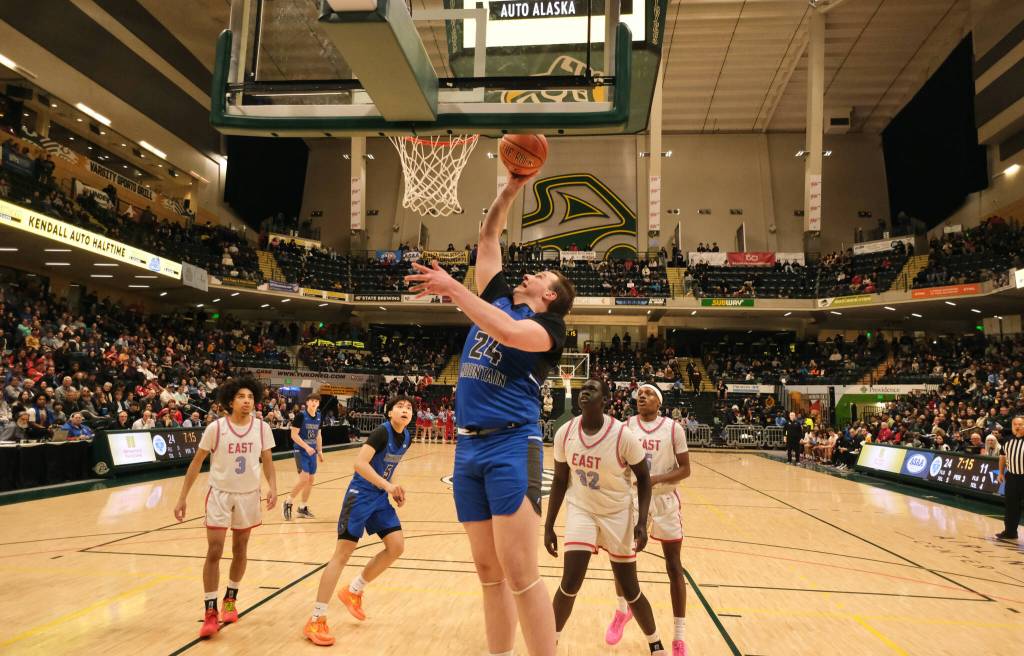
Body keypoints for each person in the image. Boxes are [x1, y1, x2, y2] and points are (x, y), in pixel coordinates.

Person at [405, 171, 575, 656]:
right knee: (487, 572)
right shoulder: (499, 298)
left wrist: (452, 289)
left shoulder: (549, 331)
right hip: (468, 446)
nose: (529, 273)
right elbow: (487, 236)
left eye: (540, 276)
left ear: (550, 297)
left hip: (511, 445)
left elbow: (501, 330)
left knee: (521, 574)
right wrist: (511, 188)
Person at [544, 379, 666, 655]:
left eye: (592, 389)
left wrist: (641, 522)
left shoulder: (622, 436)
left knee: (629, 587)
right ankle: (548, 643)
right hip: (582, 510)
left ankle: (655, 643)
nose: (584, 392)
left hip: (617, 513)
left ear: (606, 400)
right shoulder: (565, 433)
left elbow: (644, 480)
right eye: (582, 389)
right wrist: (549, 525)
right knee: (570, 581)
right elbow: (560, 481)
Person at [302, 396, 414, 646]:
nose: (405, 410)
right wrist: (387, 486)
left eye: (409, 407)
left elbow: (385, 469)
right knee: (342, 555)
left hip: (379, 498)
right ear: (389, 413)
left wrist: (394, 491)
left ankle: (353, 590)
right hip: (360, 496)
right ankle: (316, 618)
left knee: (396, 546)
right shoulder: (380, 433)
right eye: (400, 406)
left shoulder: (407, 437)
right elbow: (359, 463)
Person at [173, 377, 277, 640]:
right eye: (241, 396)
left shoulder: (262, 428)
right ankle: (210, 610)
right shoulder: (216, 428)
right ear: (230, 401)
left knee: (240, 549)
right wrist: (182, 497)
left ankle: (230, 598)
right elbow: (196, 464)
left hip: (248, 495)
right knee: (215, 550)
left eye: (251, 397)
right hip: (219, 495)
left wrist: (273, 487)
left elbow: (267, 461)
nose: (247, 401)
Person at [607, 383, 690, 655]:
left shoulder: (673, 428)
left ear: (660, 401)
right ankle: (622, 612)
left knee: (674, 566)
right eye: (639, 393)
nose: (642, 396)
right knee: (623, 559)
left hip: (665, 499)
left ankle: (679, 636)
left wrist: (655, 480)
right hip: (632, 498)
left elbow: (685, 469)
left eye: (649, 393)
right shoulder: (626, 426)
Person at [285, 394, 324, 520]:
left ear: (318, 404)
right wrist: (306, 447)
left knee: (310, 480)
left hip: (312, 452)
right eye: (312, 400)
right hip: (300, 450)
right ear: (307, 403)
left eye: (316, 401)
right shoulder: (301, 416)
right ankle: (288, 502)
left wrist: (320, 451)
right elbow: (294, 435)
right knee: (304, 479)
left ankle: (302, 507)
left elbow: (318, 435)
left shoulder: (319, 416)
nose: (314, 403)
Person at [994, 415, 1024, 542]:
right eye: (1015, 424)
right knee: (1011, 506)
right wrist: (1001, 473)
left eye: (1021, 424)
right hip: (1012, 477)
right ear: (1012, 426)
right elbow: (1002, 457)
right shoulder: (1006, 440)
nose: (1018, 427)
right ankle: (1010, 532)